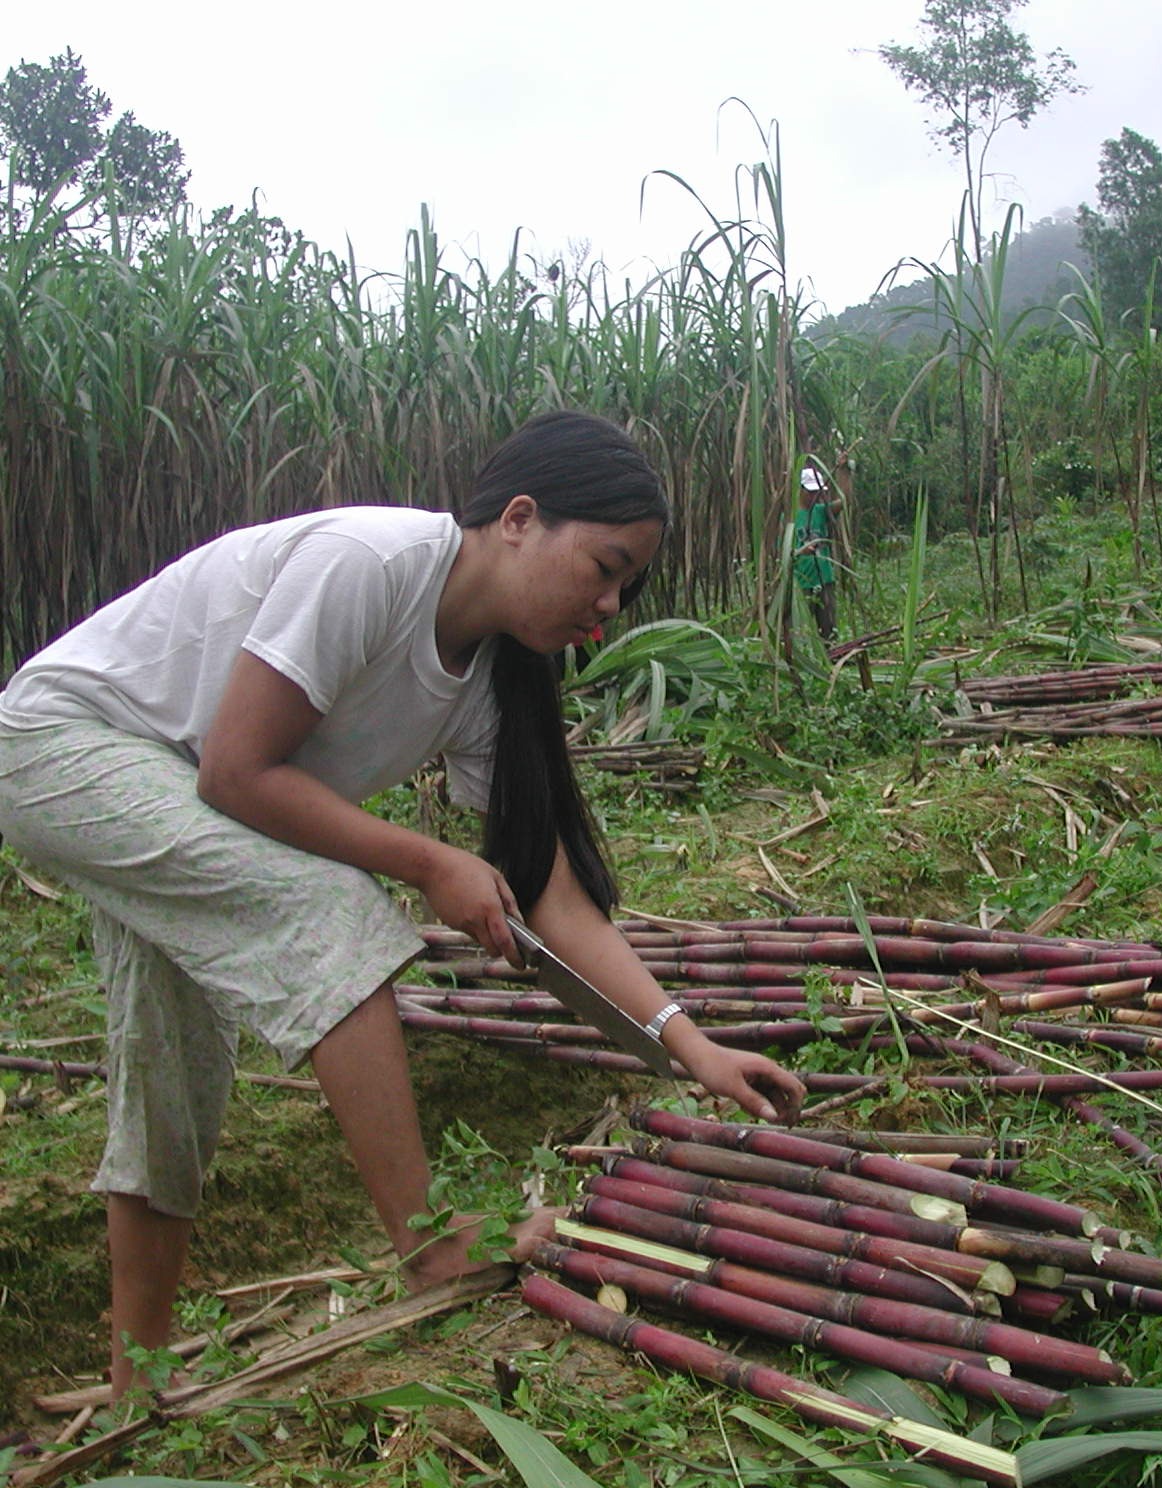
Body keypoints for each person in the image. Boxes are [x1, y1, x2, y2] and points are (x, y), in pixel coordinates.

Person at [0, 409, 804, 1399]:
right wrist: (427, 862)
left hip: (155, 777)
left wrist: (690, 1043)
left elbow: (549, 890)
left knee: (172, 1069)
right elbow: (237, 773)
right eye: (603, 566)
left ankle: (136, 1383)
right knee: (332, 909)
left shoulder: (493, 678)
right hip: (62, 745)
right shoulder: (370, 565)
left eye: (627, 586)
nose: (609, 604)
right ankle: (430, 1243)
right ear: (518, 519)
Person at [792, 461, 843, 641]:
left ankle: (832, 660)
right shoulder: (789, 517)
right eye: (810, 492)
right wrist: (801, 551)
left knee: (829, 628)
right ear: (800, 490)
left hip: (825, 579)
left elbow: (842, 501)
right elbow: (782, 554)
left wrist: (843, 470)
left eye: (817, 492)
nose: (814, 496)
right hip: (801, 583)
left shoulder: (822, 512)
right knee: (801, 631)